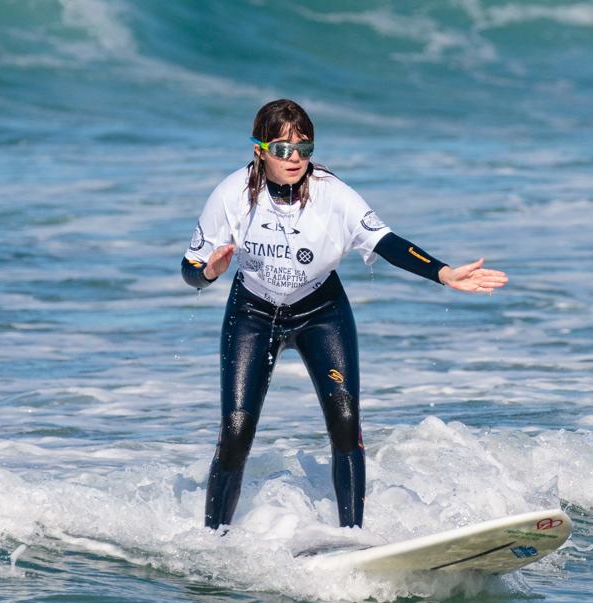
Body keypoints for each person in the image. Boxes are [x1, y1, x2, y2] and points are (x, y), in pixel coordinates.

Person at [182, 99, 507, 530]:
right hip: (252, 312)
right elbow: (190, 271)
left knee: (345, 423)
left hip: (321, 310)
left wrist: (442, 273)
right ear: (259, 150)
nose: (295, 158)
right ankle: (212, 538)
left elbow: (387, 241)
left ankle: (352, 534)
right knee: (237, 429)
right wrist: (209, 272)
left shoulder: (332, 193)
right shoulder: (231, 195)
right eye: (282, 149)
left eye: (304, 147)